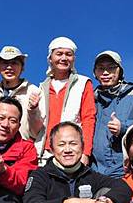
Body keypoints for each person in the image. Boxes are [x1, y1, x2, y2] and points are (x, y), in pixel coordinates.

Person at [91, 50, 133, 178]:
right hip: (94, 172)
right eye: (100, 69)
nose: (106, 72)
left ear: (120, 71)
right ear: (95, 73)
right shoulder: (90, 99)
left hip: (126, 171)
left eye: (111, 68)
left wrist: (124, 127)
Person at [34, 36, 96, 166]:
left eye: (68, 54)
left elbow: (88, 119)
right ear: (50, 58)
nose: (64, 58)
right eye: (59, 54)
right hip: (43, 154)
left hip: (70, 153)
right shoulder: (40, 88)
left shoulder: (83, 83)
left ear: (73, 59)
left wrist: (85, 153)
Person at [0, 45, 45, 140]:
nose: (9, 67)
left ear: (22, 68)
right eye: (5, 63)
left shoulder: (35, 92)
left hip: (23, 150)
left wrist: (33, 110)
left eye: (14, 63)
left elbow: (38, 132)